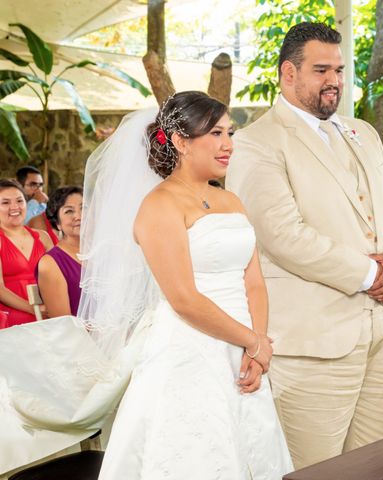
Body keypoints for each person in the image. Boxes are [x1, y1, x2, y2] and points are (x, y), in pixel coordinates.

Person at [0, 92, 292, 479]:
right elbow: (184, 298)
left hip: (244, 352)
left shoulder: (231, 202)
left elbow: (253, 280)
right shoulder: (159, 205)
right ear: (181, 141)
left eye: (230, 133)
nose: (228, 145)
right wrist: (253, 342)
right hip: (191, 349)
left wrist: (257, 345)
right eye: (216, 133)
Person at [225, 22, 383, 468]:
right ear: (288, 74)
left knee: (377, 467)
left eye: (339, 69)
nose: (334, 80)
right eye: (321, 69)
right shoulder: (257, 143)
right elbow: (282, 234)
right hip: (313, 343)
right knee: (315, 471)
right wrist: (373, 274)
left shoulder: (362, 133)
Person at [0, 179, 53, 328]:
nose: (15, 207)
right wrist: (34, 309)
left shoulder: (42, 237)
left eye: (19, 200)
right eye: (5, 203)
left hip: (49, 308)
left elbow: (58, 275)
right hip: (13, 313)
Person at [36, 186, 83, 316]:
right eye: (69, 211)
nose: (79, 216)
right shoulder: (50, 263)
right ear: (58, 223)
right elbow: (63, 322)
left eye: (84, 208)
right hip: (78, 334)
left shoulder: (105, 253)